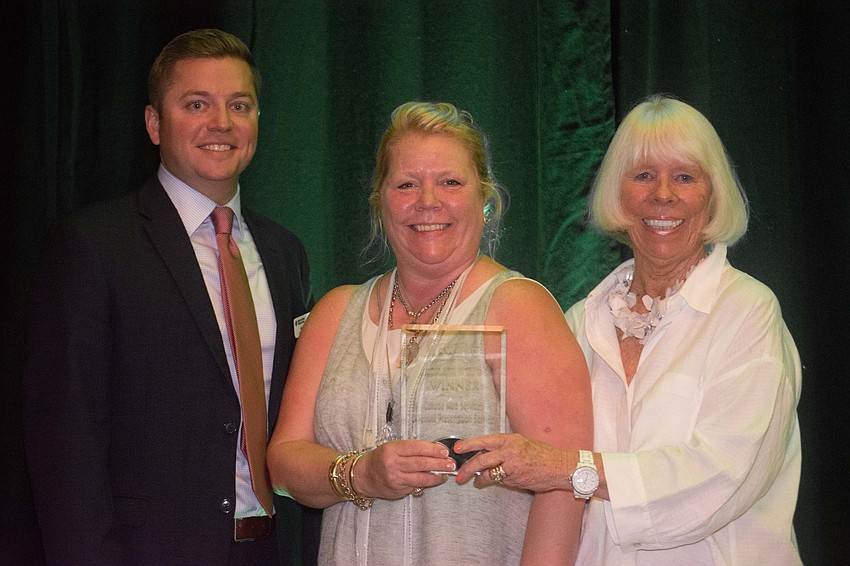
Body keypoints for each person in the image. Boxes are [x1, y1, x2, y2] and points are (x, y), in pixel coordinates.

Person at [454, 94, 802, 564]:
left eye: (684, 176)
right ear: (617, 193)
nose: (662, 194)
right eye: (643, 176)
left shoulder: (749, 314)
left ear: (713, 194)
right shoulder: (578, 322)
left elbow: (721, 476)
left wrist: (568, 469)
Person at [23, 29, 319, 565]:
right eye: (196, 104)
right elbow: (65, 443)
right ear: (154, 124)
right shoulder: (92, 246)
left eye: (240, 105)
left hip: (274, 551)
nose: (222, 123)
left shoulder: (285, 252)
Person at [266, 101, 593, 565]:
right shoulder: (336, 311)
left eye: (450, 182)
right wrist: (361, 474)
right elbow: (284, 463)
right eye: (406, 184)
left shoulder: (519, 306)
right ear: (379, 200)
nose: (428, 202)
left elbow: (562, 486)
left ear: (484, 198)